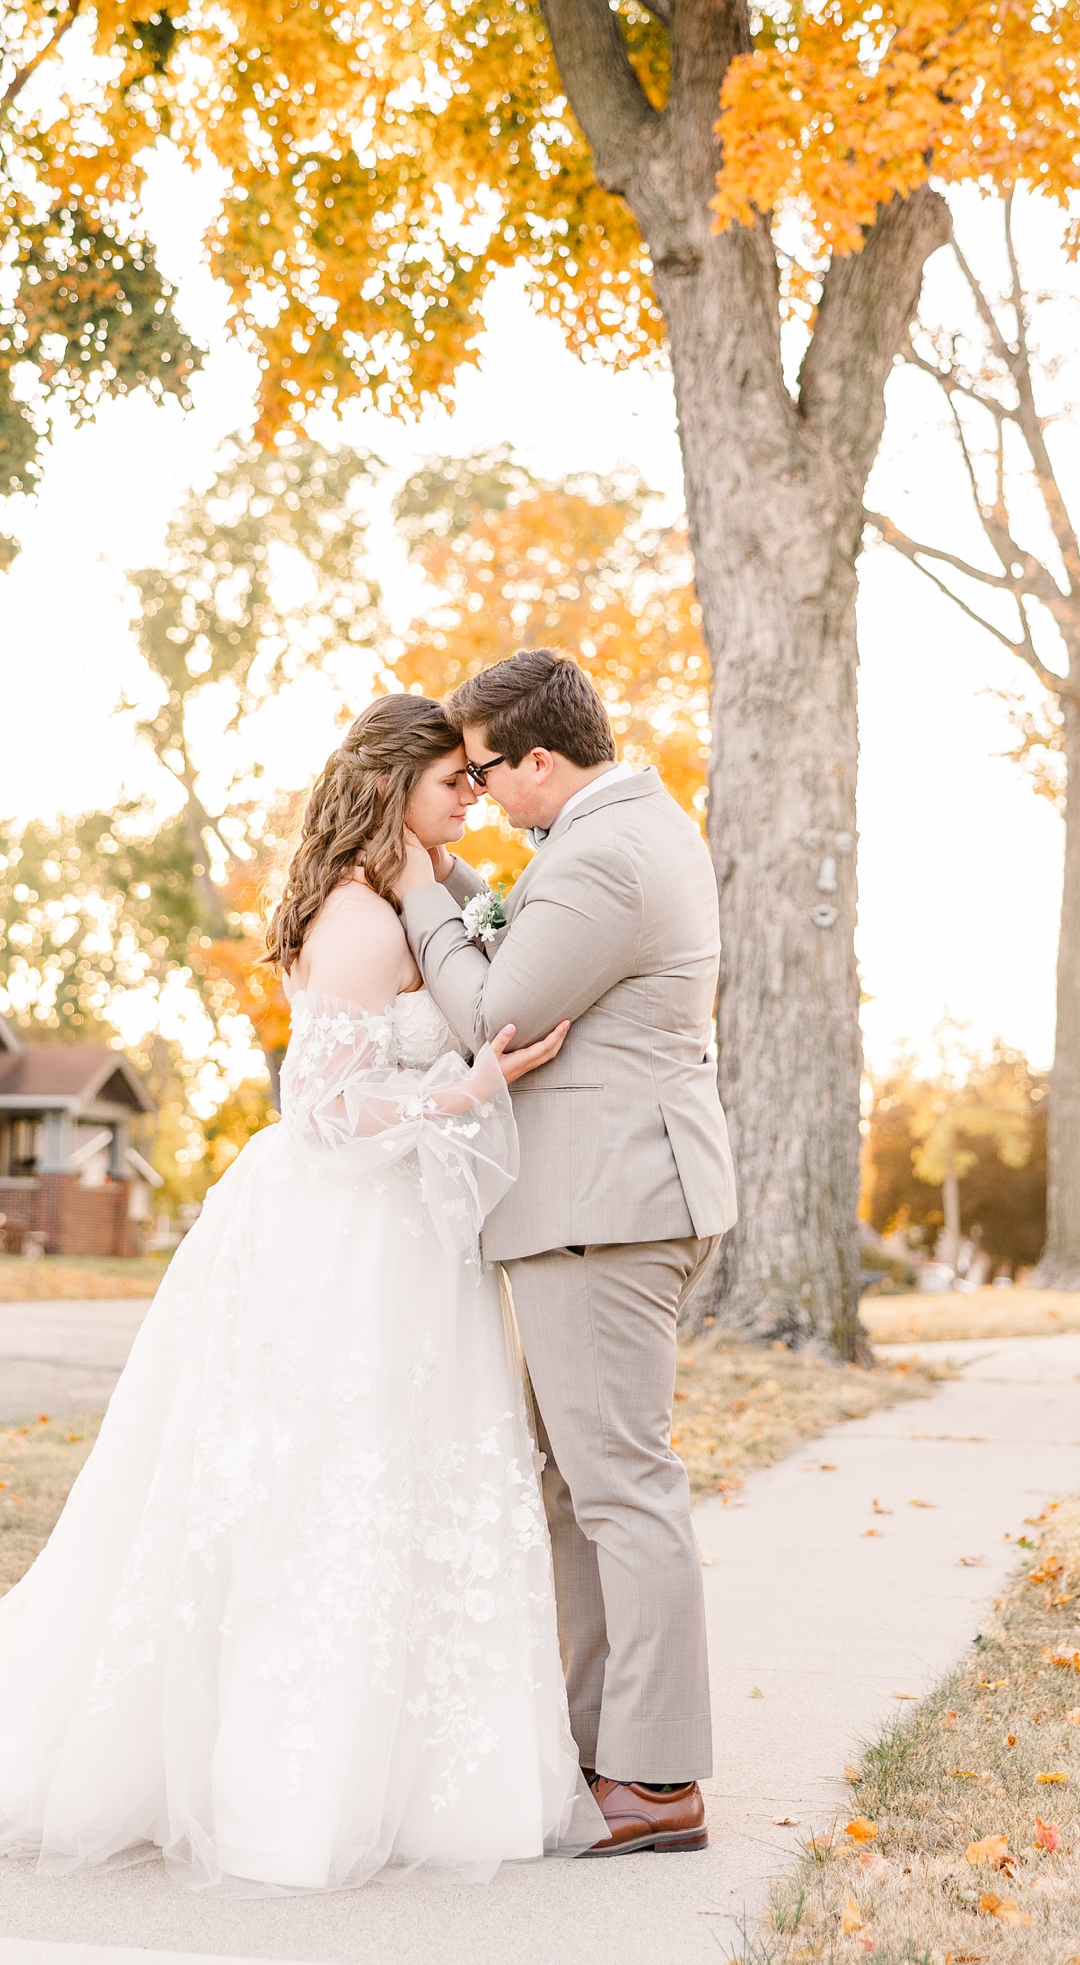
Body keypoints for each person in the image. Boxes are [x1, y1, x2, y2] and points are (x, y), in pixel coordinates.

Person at [0, 693, 605, 1893]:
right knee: (325, 1480)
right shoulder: (358, 914)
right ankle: (294, 1779)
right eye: (453, 782)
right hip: (344, 1239)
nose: (472, 800)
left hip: (402, 1239)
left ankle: (427, 1767)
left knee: (403, 1480)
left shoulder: (411, 900)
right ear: (396, 790)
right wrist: (465, 1089)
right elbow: (324, 1112)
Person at [397, 650, 738, 1859]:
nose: (480, 794)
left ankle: (656, 1779)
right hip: (595, 1201)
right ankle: (602, 1751)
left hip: (608, 1206)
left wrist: (422, 894)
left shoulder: (604, 851)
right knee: (575, 1493)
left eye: (486, 772)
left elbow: (499, 1013)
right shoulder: (617, 833)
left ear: (541, 760)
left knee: (619, 1488)